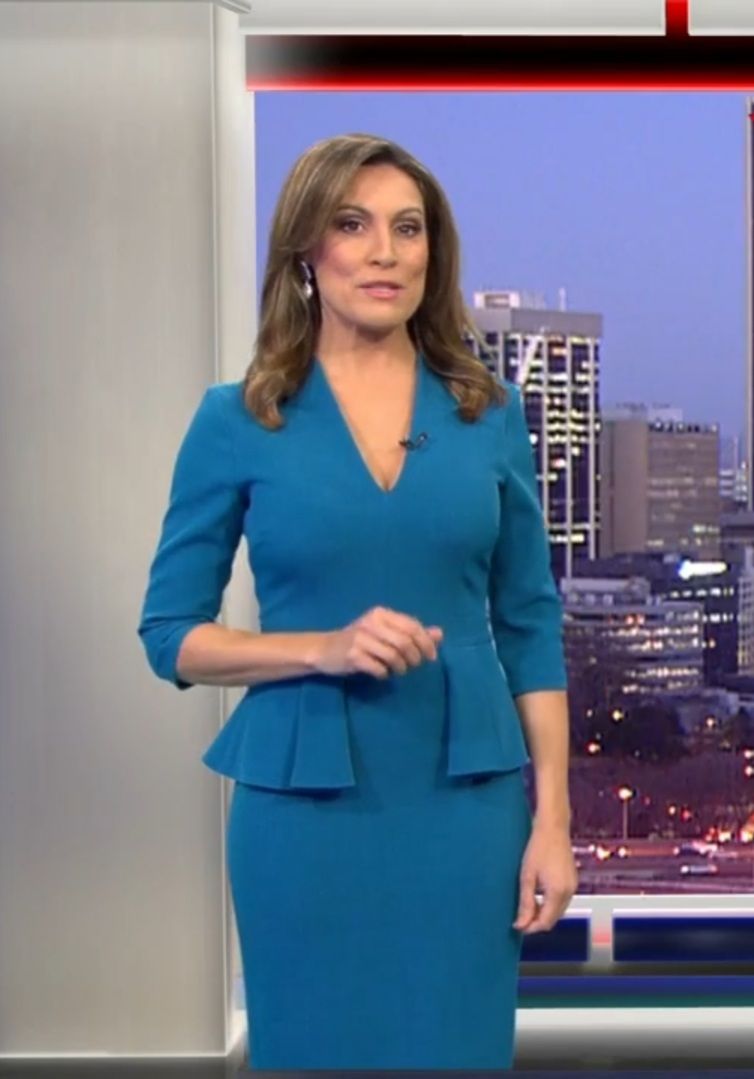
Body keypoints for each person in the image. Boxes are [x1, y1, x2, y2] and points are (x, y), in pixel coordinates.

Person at [137, 132, 577, 1071]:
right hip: (305, 811)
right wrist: (321, 648)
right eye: (353, 224)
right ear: (306, 249)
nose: (385, 252)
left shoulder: (490, 414)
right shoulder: (238, 418)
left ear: (433, 253)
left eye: (408, 229)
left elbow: (531, 626)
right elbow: (171, 636)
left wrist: (554, 822)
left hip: (467, 808)